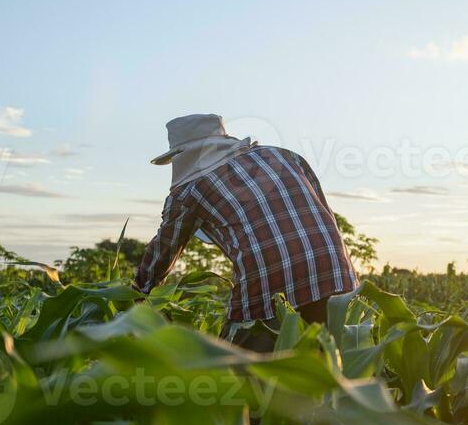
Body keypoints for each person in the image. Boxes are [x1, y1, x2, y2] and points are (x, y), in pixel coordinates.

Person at [134, 114, 358, 351]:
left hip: (270, 286)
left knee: (233, 371)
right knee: (332, 367)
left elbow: (162, 252)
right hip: (338, 275)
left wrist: (136, 297)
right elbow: (323, 214)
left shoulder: (189, 191)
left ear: (182, 155)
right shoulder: (285, 156)